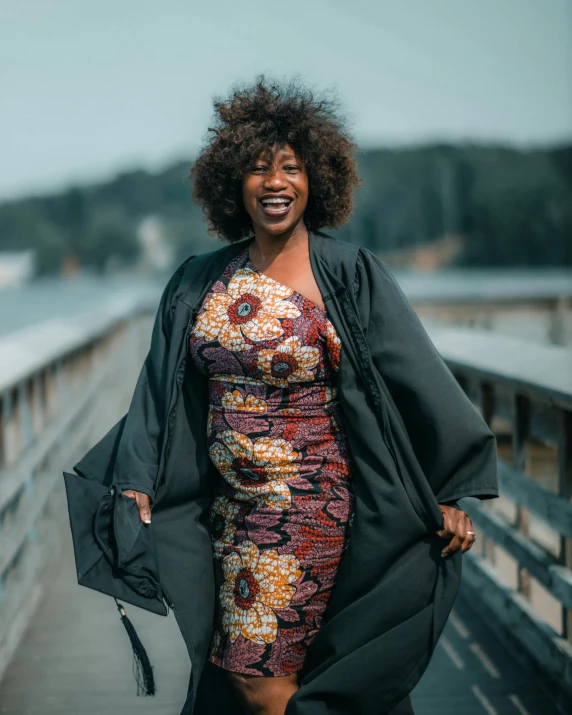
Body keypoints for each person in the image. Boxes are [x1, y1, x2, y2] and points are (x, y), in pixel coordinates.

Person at [66, 75, 498, 715]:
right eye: (258, 170)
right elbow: (160, 389)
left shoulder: (348, 275)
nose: (275, 183)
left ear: (314, 179)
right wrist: (134, 480)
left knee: (260, 684)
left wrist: (447, 489)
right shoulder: (199, 279)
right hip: (232, 517)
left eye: (291, 169)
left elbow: (415, 379)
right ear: (232, 185)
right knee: (254, 678)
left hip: (316, 513)